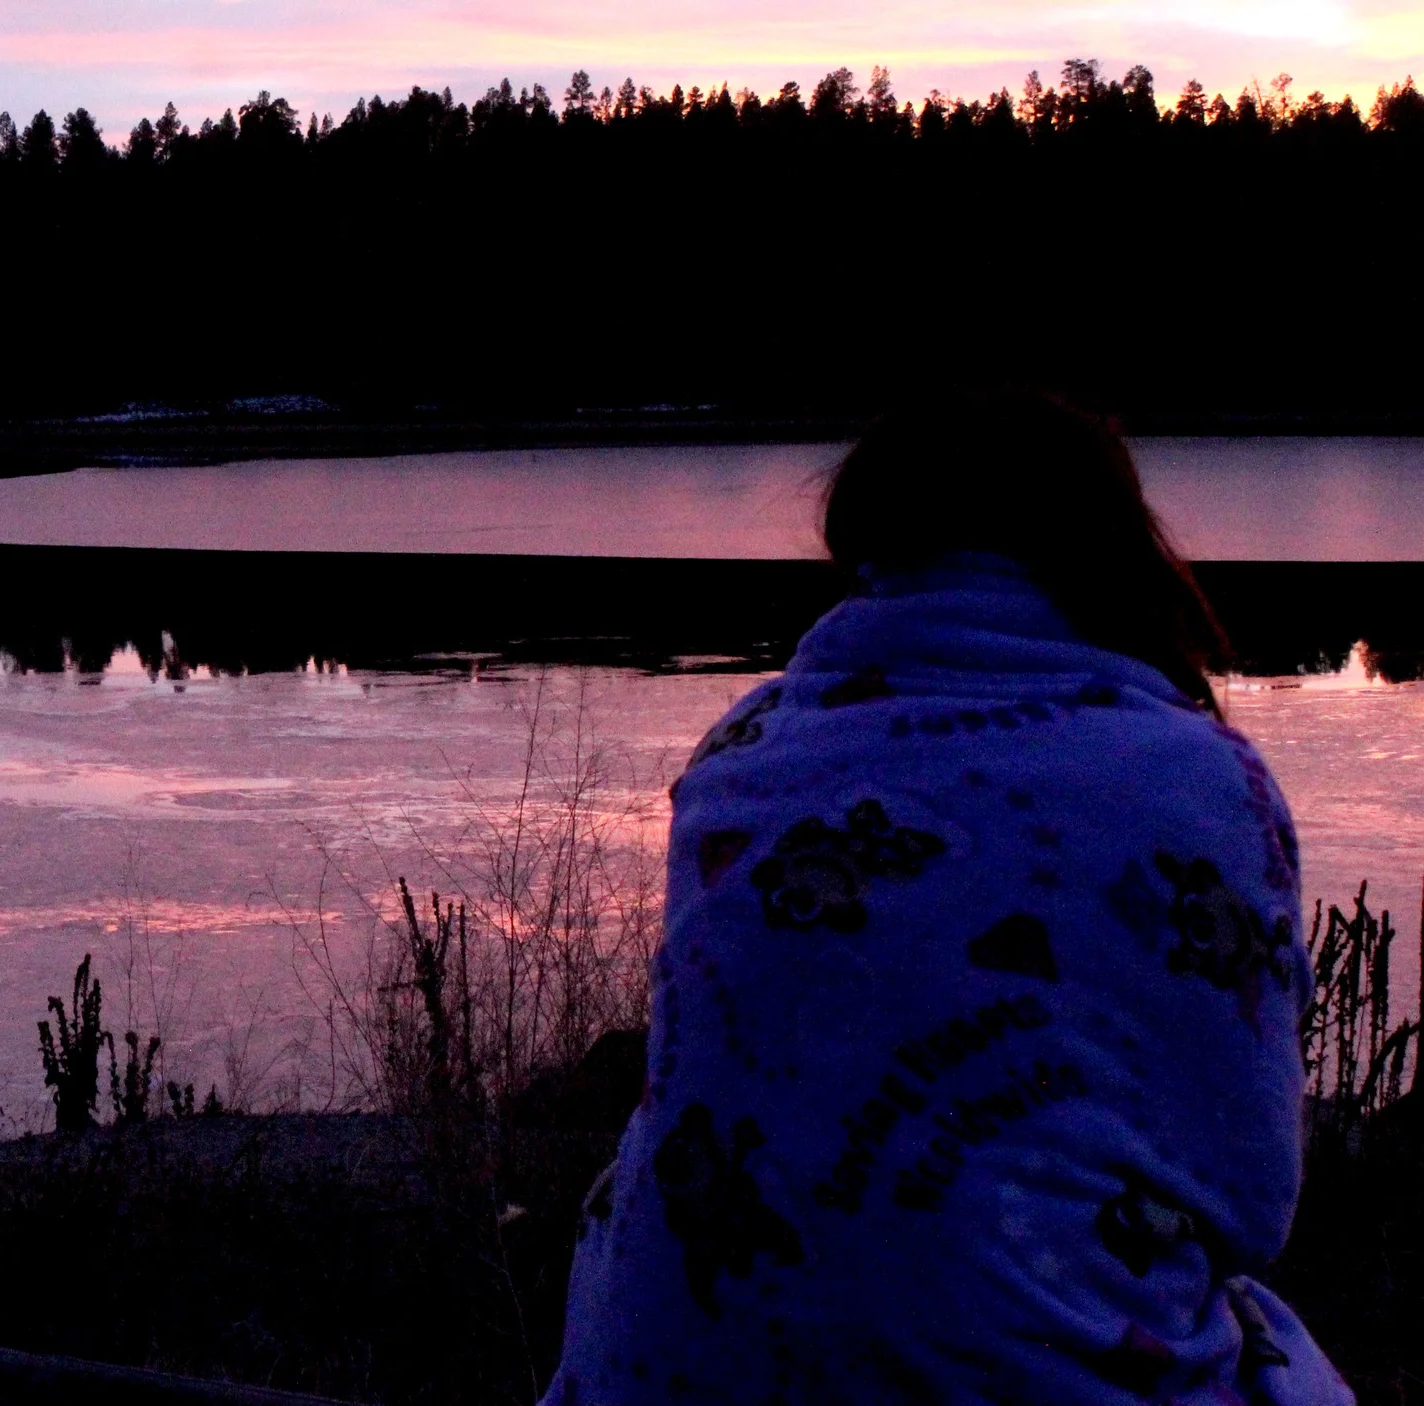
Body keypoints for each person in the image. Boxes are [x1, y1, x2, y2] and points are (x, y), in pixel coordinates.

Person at [541, 389, 1350, 1405]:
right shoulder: (1199, 780)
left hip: (659, 1364)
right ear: (1110, 541)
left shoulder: (742, 750)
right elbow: (1252, 1197)